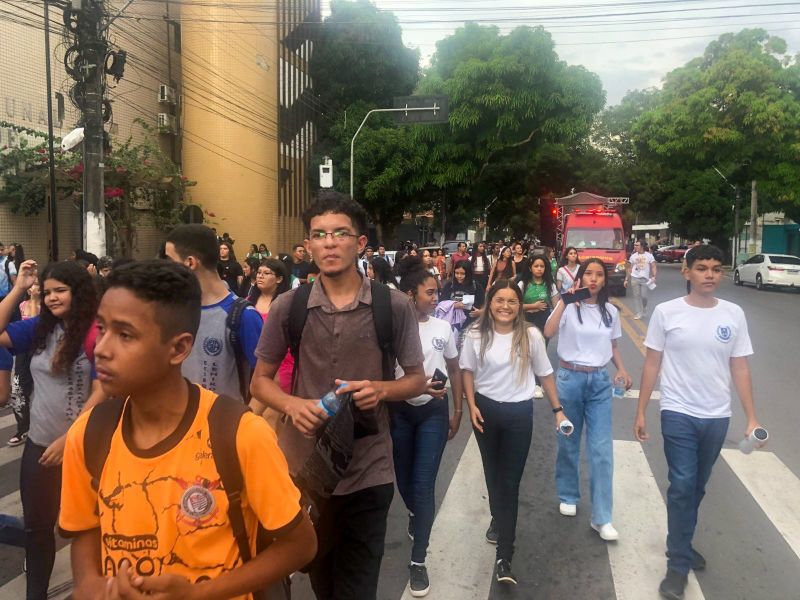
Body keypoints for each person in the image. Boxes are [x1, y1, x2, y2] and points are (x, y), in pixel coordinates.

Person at [59, 260, 317, 599]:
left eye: (125, 335)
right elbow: (85, 529)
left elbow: (300, 545)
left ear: (179, 348)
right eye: (102, 329)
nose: (102, 349)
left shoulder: (240, 434)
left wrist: (199, 594)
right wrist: (90, 584)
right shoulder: (90, 434)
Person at [250, 190, 426, 599]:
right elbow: (260, 382)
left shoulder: (393, 305)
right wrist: (292, 405)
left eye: (341, 233)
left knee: (358, 589)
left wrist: (381, 389)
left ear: (360, 243)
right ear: (308, 245)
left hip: (370, 470)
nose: (330, 243)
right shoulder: (288, 307)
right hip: (305, 473)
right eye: (320, 234)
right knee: (322, 582)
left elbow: (417, 379)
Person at [634, 245, 762, 600]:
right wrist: (642, 409)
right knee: (682, 484)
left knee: (697, 486)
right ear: (687, 272)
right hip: (678, 411)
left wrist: (751, 417)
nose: (710, 275)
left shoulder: (733, 314)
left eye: (716, 269)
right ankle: (677, 566)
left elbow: (740, 367)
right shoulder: (666, 312)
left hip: (717, 415)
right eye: (702, 268)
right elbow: (651, 363)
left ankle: (683, 541)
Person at [0, 259, 106, 600]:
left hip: (87, 450)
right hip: (40, 446)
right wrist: (18, 288)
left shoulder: (98, 330)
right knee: (37, 531)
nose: (52, 298)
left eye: (60, 290)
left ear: (79, 292)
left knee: (92, 529)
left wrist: (71, 438)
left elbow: (104, 391)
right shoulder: (38, 329)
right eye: (46, 292)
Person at [460, 280, 562, 586]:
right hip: (486, 412)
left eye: (512, 302)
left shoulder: (530, 335)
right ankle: (498, 518)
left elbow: (545, 374)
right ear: (490, 303)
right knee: (493, 476)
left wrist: (559, 411)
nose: (505, 306)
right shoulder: (476, 334)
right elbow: (467, 370)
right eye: (499, 300)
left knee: (510, 483)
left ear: (520, 307)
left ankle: (505, 556)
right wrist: (471, 404)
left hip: (519, 415)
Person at [543, 259, 632, 543]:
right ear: (580, 278)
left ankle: (602, 517)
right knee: (568, 441)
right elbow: (548, 331)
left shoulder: (610, 311)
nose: (593, 279)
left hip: (600, 383)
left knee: (601, 449)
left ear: (605, 281)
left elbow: (613, 344)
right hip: (569, 379)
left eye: (599, 275)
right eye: (588, 274)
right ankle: (568, 493)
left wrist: (621, 368)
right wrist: (566, 300)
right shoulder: (569, 307)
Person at [392, 258, 463, 597]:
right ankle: (414, 514)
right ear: (410, 295)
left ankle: (418, 560)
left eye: (437, 293)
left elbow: (454, 366)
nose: (436, 298)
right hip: (400, 412)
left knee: (422, 485)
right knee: (405, 482)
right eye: (430, 293)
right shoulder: (392, 329)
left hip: (433, 411)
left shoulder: (443, 328)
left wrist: (458, 408)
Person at [165, 225, 263, 401]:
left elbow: (268, 380)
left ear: (190, 262)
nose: (166, 269)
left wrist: (246, 421)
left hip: (224, 424)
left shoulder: (243, 316)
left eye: (170, 261)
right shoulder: (174, 310)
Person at [7, 278, 40, 447]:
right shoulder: (22, 305)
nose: (35, 288)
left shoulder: (45, 307)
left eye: (38, 285)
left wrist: (35, 300)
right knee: (18, 389)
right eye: (32, 285)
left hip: (39, 350)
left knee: (40, 391)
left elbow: (33, 326)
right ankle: (23, 429)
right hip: (22, 353)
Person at [518, 255, 559, 341]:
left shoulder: (550, 285)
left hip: (544, 320)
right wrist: (533, 306)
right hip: (526, 320)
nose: (539, 269)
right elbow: (515, 305)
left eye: (542, 266)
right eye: (536, 266)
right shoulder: (522, 284)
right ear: (530, 268)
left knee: (542, 345)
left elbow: (556, 307)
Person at [625, 240, 657, 320]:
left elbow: (653, 266)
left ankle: (644, 307)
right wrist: (626, 279)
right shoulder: (633, 256)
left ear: (642, 246)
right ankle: (638, 313)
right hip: (634, 278)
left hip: (645, 279)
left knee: (644, 296)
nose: (635, 246)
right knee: (636, 296)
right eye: (635, 245)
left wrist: (654, 276)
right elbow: (630, 268)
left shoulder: (649, 256)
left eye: (637, 245)